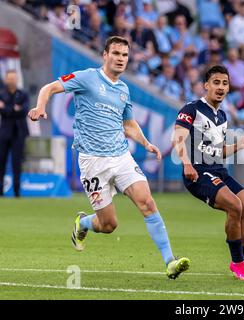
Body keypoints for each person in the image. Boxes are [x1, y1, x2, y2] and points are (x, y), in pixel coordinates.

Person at [27, 36, 190, 279]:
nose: (120, 59)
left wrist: (146, 143)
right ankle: (82, 224)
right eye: (116, 53)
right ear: (105, 55)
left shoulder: (123, 90)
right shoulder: (87, 77)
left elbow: (129, 124)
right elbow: (48, 88)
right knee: (109, 225)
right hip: (92, 162)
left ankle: (170, 261)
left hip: (121, 156)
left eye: (124, 55)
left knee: (147, 202)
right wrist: (41, 107)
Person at [172, 65, 244, 281]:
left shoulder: (222, 116)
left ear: (229, 88)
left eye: (225, 83)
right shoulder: (192, 109)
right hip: (198, 172)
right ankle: (237, 263)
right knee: (235, 206)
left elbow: (217, 152)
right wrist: (186, 163)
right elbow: (178, 137)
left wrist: (238, 145)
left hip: (218, 169)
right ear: (206, 86)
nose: (220, 87)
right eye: (216, 82)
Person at [0, 70, 30, 198]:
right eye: (9, 78)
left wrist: (7, 108)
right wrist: (13, 109)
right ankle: (0, 191)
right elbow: (4, 112)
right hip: (4, 133)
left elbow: (24, 110)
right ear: (6, 80)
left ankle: (17, 192)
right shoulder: (2, 94)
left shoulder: (23, 94)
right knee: (1, 162)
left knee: (17, 163)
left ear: (16, 79)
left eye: (13, 78)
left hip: (19, 133)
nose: (11, 80)